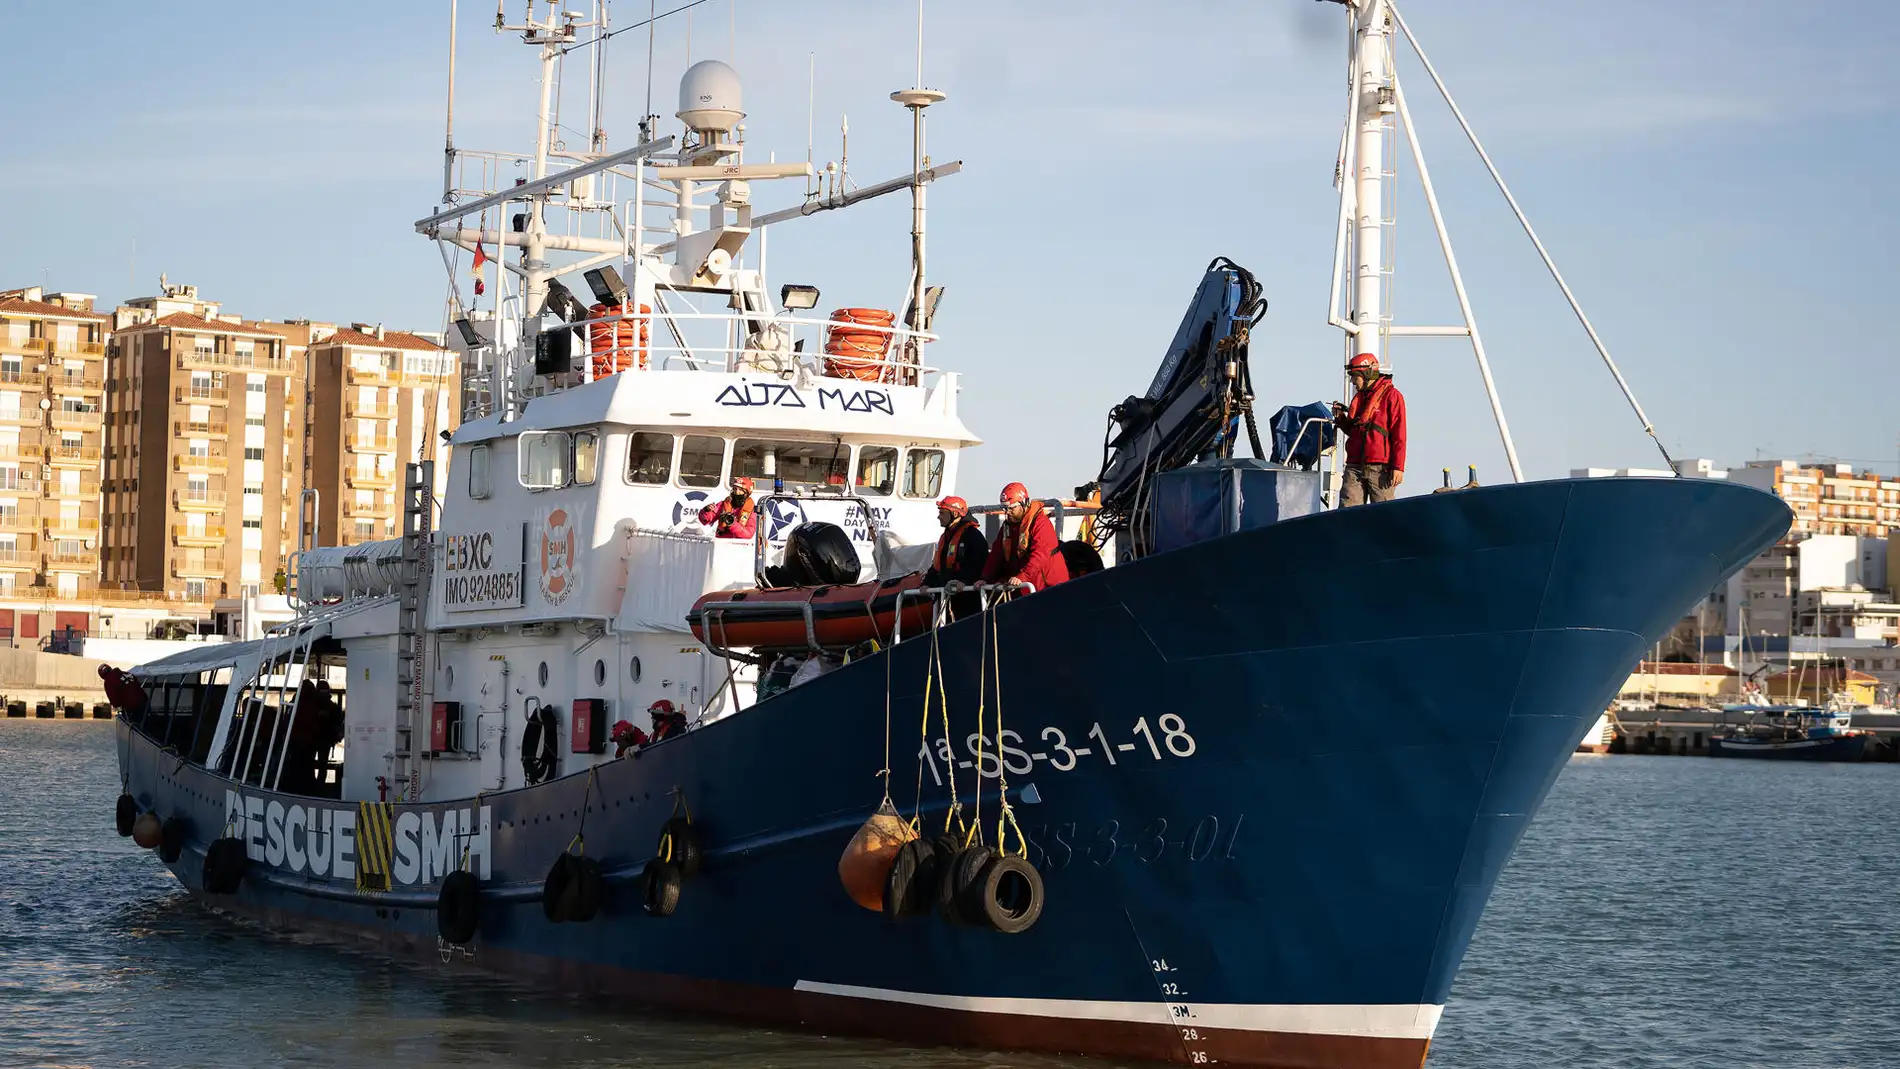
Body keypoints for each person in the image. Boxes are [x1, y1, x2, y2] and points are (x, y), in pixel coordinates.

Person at [1330, 352, 1407, 506]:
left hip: (1381, 469)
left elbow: (1399, 434)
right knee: (1348, 513)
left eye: (1354, 376)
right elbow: (1354, 432)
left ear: (1366, 374)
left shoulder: (1392, 396)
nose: (1352, 381)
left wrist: (1398, 467)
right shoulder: (1360, 398)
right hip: (1354, 466)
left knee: (1384, 516)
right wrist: (1341, 419)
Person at [980, 482, 1069, 595]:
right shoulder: (1007, 527)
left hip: (1048, 587)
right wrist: (985, 578)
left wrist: (1023, 576)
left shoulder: (1041, 523)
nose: (1007, 512)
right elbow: (996, 554)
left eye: (1011, 508)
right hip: (1024, 587)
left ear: (1023, 503)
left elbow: (1040, 555)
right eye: (1005, 508)